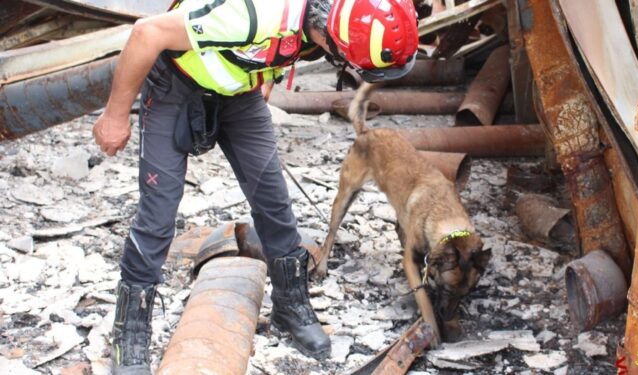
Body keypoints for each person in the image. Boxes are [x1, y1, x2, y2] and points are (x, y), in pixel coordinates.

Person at [92, 0, 418, 373]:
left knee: (273, 200)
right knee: (158, 213)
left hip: (239, 93)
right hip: (176, 87)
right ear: (334, 42)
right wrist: (115, 115)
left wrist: (267, 76)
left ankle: (290, 305)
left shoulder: (322, 23)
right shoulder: (251, 16)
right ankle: (129, 334)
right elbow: (146, 33)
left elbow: (290, 44)